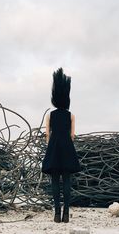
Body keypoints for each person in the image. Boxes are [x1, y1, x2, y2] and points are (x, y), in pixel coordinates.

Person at [41, 67, 82, 223]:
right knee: (66, 181)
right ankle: (66, 214)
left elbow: (47, 134)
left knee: (55, 181)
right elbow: (72, 135)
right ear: (67, 98)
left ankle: (57, 214)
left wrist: (50, 147)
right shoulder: (71, 115)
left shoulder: (49, 115)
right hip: (67, 148)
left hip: (54, 148)